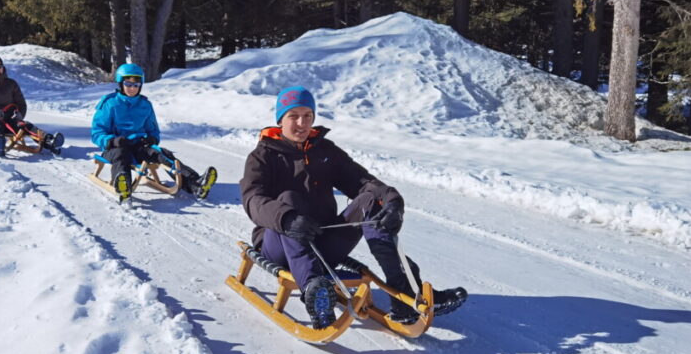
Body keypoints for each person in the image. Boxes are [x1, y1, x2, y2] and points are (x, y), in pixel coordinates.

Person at [239, 86, 466, 329]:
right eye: (293, 116)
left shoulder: (325, 151)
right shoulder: (263, 156)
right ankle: (316, 292)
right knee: (289, 198)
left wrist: (392, 202)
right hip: (279, 244)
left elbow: (364, 182)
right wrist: (287, 219)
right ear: (280, 120)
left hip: (324, 242)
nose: (301, 123)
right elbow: (252, 198)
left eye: (308, 116)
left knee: (371, 200)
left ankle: (405, 295)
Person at [90, 63, 217, 202]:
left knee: (162, 153)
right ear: (121, 83)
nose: (132, 88)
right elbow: (97, 132)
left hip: (139, 146)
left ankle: (195, 184)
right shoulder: (109, 103)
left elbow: (153, 130)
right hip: (114, 148)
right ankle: (123, 185)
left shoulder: (145, 105)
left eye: (136, 85)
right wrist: (112, 140)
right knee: (121, 154)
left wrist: (152, 139)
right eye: (128, 84)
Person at [0, 53, 64, 157]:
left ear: (3, 67)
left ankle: (49, 140)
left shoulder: (11, 84)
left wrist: (19, 115)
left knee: (25, 125)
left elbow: (21, 104)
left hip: (9, 119)